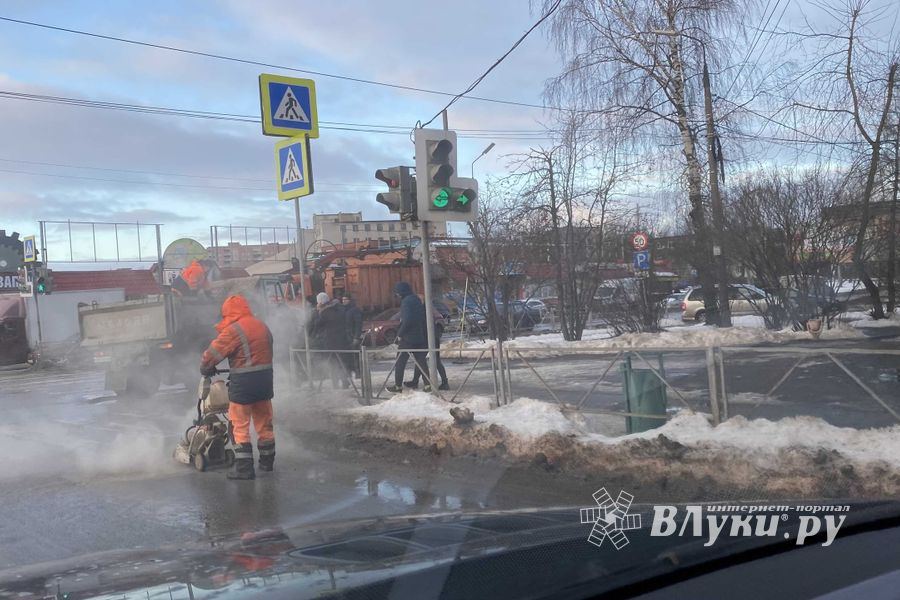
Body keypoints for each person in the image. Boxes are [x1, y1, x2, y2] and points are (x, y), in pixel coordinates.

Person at [200, 295, 275, 480]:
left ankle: (244, 469)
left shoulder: (234, 330)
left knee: (239, 425)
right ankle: (267, 463)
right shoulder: (261, 325)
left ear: (228, 312)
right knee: (264, 422)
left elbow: (212, 354)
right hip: (265, 381)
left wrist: (206, 367)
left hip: (244, 384)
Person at [387, 281, 427, 393]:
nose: (397, 295)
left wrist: (400, 333)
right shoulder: (416, 299)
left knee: (400, 361)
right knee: (420, 361)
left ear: (401, 292)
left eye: (397, 293)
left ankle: (398, 386)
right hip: (418, 335)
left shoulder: (406, 301)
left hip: (408, 337)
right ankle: (428, 385)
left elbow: (407, 320)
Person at [310, 292, 350, 388]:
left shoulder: (325, 313)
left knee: (333, 364)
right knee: (341, 362)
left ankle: (335, 384)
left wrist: (318, 311)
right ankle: (345, 382)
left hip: (330, 342)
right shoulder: (337, 309)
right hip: (341, 340)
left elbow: (316, 324)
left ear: (320, 302)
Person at [407, 313, 449, 391]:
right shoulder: (424, 312)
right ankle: (444, 382)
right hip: (431, 337)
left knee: (423, 360)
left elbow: (420, 328)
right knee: (422, 360)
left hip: (428, 338)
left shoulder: (420, 312)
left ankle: (443, 383)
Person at [342, 294, 363, 379]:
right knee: (349, 356)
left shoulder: (354, 310)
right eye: (342, 299)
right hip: (346, 337)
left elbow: (358, 324)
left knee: (356, 356)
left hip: (353, 337)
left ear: (350, 300)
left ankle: (358, 373)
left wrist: (356, 337)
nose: (343, 301)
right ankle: (351, 372)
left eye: (345, 299)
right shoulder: (344, 310)